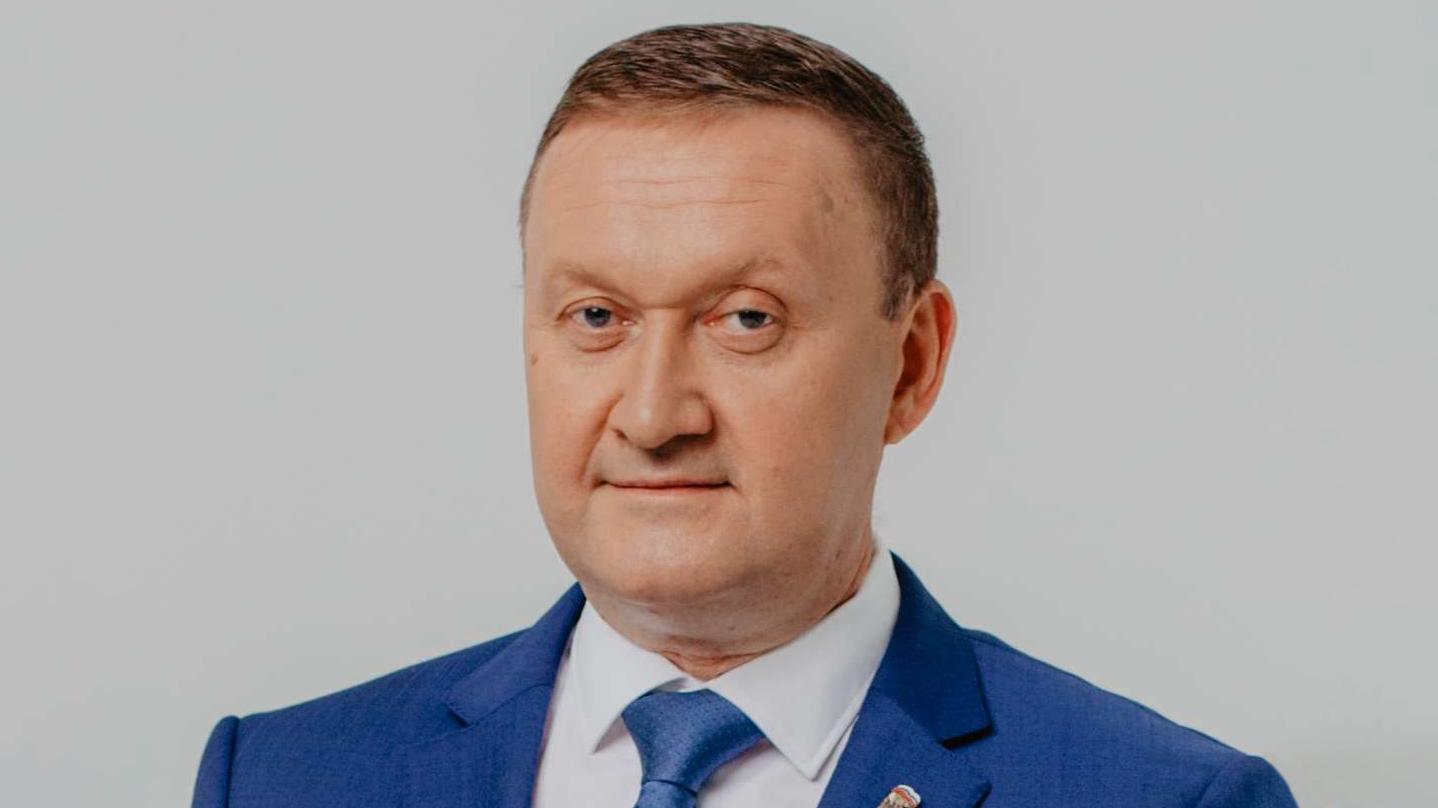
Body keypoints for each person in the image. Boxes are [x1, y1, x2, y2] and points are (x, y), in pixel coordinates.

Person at [190, 22, 1299, 808]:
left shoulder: (1160, 796)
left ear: (911, 364)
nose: (652, 413)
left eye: (746, 319)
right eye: (595, 316)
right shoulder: (284, 779)